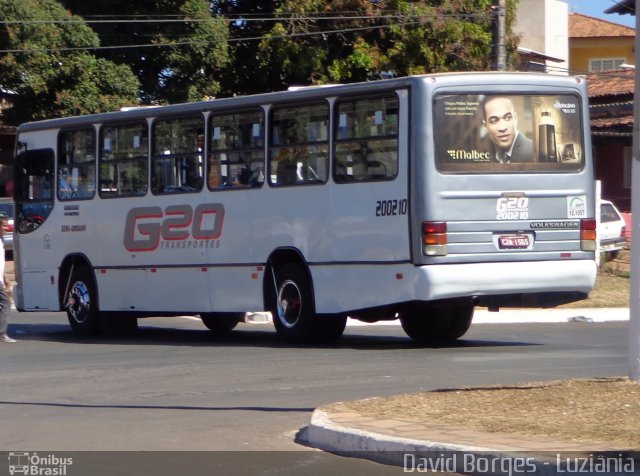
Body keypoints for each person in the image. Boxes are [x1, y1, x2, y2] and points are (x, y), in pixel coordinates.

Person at [481, 96, 533, 164]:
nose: (503, 127)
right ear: (485, 126)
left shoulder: (533, 152)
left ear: (515, 118)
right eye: (494, 121)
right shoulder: (495, 158)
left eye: (507, 118)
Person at [0, 216, 14, 343]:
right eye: (4, 226)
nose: (6, 228)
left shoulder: (1, 240)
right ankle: (1, 334)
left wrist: (5, 278)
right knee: (6, 303)